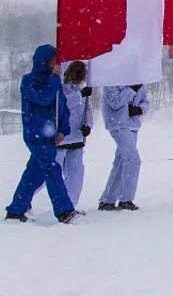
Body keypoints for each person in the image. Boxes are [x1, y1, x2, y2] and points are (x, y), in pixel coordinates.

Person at [5, 44, 82, 224]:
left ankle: (16, 210)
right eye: (54, 59)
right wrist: (54, 79)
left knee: (34, 173)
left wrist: (64, 130)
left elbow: (63, 108)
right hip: (36, 135)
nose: (58, 63)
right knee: (53, 169)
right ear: (45, 61)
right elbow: (43, 98)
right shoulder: (29, 81)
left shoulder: (55, 82)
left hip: (51, 135)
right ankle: (64, 211)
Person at [99, 83, 150, 211]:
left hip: (133, 124)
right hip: (118, 123)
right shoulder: (111, 81)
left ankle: (108, 199)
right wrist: (131, 90)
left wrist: (140, 109)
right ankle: (125, 199)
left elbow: (146, 101)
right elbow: (115, 102)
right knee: (133, 159)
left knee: (121, 162)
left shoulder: (139, 80)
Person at [55, 60, 92, 210]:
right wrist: (80, 95)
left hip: (76, 138)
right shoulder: (59, 89)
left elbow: (86, 110)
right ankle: (28, 198)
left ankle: (69, 205)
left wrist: (88, 126)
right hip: (61, 138)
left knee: (76, 174)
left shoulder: (78, 90)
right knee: (49, 173)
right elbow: (61, 105)